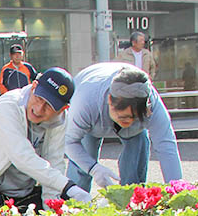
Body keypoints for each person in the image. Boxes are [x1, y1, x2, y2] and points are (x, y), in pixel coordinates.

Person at [0, 67, 91, 214]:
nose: (39, 109)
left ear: (62, 109)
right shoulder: (8, 105)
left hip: (22, 193)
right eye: (39, 98)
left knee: (60, 202)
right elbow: (22, 156)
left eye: (49, 106)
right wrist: (68, 186)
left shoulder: (60, 120)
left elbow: (55, 163)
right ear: (34, 86)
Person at [65, 63, 182, 191]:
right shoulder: (84, 102)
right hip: (93, 122)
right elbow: (69, 142)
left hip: (134, 127)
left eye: (135, 117)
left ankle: (131, 203)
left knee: (135, 162)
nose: (130, 122)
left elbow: (166, 147)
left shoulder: (151, 103)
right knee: (82, 166)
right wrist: (93, 168)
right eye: (124, 117)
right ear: (110, 100)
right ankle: (75, 206)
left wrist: (176, 191)